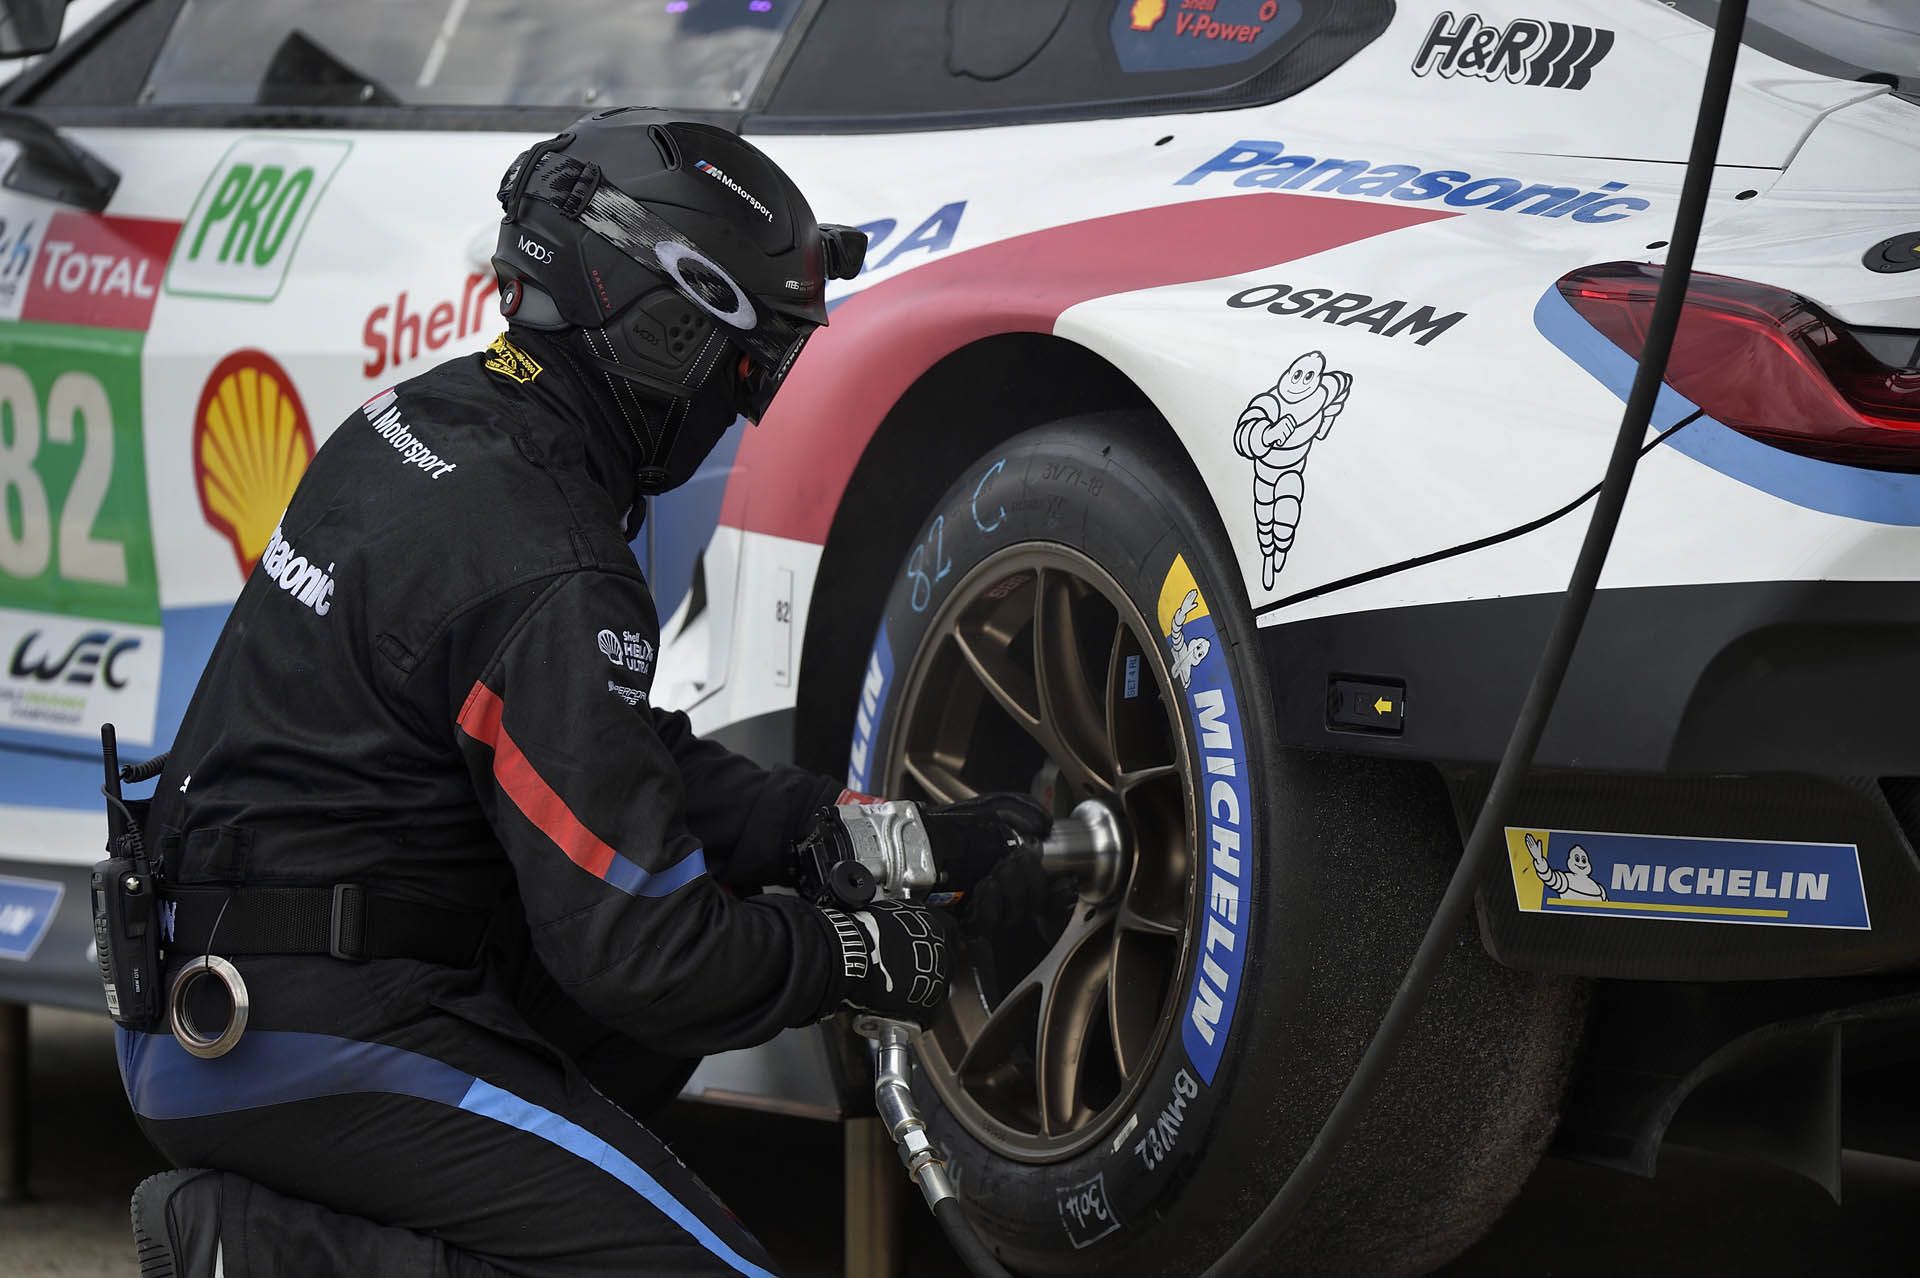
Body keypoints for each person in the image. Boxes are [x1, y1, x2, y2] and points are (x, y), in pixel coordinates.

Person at [120, 108, 1049, 1277]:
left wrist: (834, 829)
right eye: (750, 367)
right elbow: (650, 958)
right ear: (668, 331)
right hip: (293, 1033)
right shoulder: (547, 556)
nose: (744, 403)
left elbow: (599, 766)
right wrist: (856, 955)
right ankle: (258, 1253)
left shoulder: (427, 419)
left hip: (227, 985)